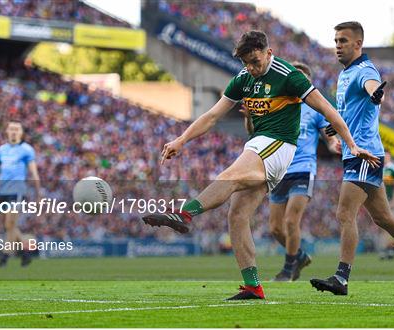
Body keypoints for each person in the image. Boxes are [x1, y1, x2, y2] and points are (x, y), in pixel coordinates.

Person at [142, 30, 378, 300]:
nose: (251, 68)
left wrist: (351, 144)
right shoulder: (243, 78)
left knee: (230, 175)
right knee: (238, 214)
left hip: (279, 145)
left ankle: (184, 214)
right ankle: (253, 286)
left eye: (255, 61)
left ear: (269, 53)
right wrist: (181, 139)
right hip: (259, 144)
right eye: (246, 63)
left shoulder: (289, 76)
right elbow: (212, 115)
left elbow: (328, 110)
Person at [310, 22, 394, 295]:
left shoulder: (365, 70)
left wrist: (376, 94)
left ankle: (341, 278)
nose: (337, 45)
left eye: (343, 40)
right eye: (335, 40)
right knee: (383, 217)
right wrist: (337, 127)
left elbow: (373, 89)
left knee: (345, 213)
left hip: (365, 154)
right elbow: (352, 112)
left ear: (358, 44)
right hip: (357, 153)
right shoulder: (344, 74)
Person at [240, 62, 341, 281]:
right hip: (279, 169)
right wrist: (249, 117)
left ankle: (288, 269)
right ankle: (300, 256)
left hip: (304, 168)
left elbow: (329, 137)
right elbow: (254, 133)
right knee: (276, 228)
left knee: (290, 221)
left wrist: (334, 145)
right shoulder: (276, 104)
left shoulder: (314, 109)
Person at [0, 120, 41, 267]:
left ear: (21, 132)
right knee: (9, 226)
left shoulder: (26, 150)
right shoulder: (1, 150)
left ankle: (4, 257)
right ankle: (26, 254)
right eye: (11, 129)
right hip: (3, 191)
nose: (14, 131)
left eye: (17, 129)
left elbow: (33, 171)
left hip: (17, 190)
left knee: (10, 223)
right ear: (7, 131)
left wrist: (39, 192)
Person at [379, 150, 394, 260]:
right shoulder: (378, 167)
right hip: (379, 200)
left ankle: (388, 249)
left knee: (389, 225)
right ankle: (387, 250)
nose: (385, 158)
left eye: (387, 156)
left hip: (389, 200)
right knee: (382, 226)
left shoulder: (393, 169)